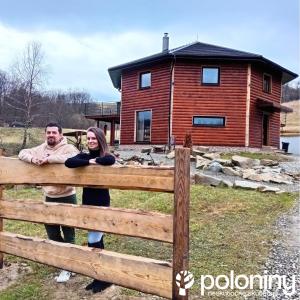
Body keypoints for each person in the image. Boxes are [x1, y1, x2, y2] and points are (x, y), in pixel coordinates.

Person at [18, 122, 79, 283]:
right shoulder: (41, 148)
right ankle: (66, 261)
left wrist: (50, 159)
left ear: (60, 135)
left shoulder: (68, 148)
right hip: (49, 196)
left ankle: (69, 268)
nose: (51, 135)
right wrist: (33, 158)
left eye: (54, 132)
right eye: (48, 132)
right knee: (52, 234)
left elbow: (73, 158)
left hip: (67, 195)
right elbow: (22, 153)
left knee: (68, 233)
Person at [65, 127, 115, 294]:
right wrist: (88, 162)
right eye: (89, 138)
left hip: (101, 204)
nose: (91, 141)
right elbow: (69, 162)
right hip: (88, 203)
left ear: (100, 140)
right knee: (94, 238)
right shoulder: (85, 156)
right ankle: (99, 277)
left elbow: (110, 160)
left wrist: (95, 161)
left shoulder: (105, 156)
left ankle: (102, 277)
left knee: (94, 239)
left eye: (94, 138)